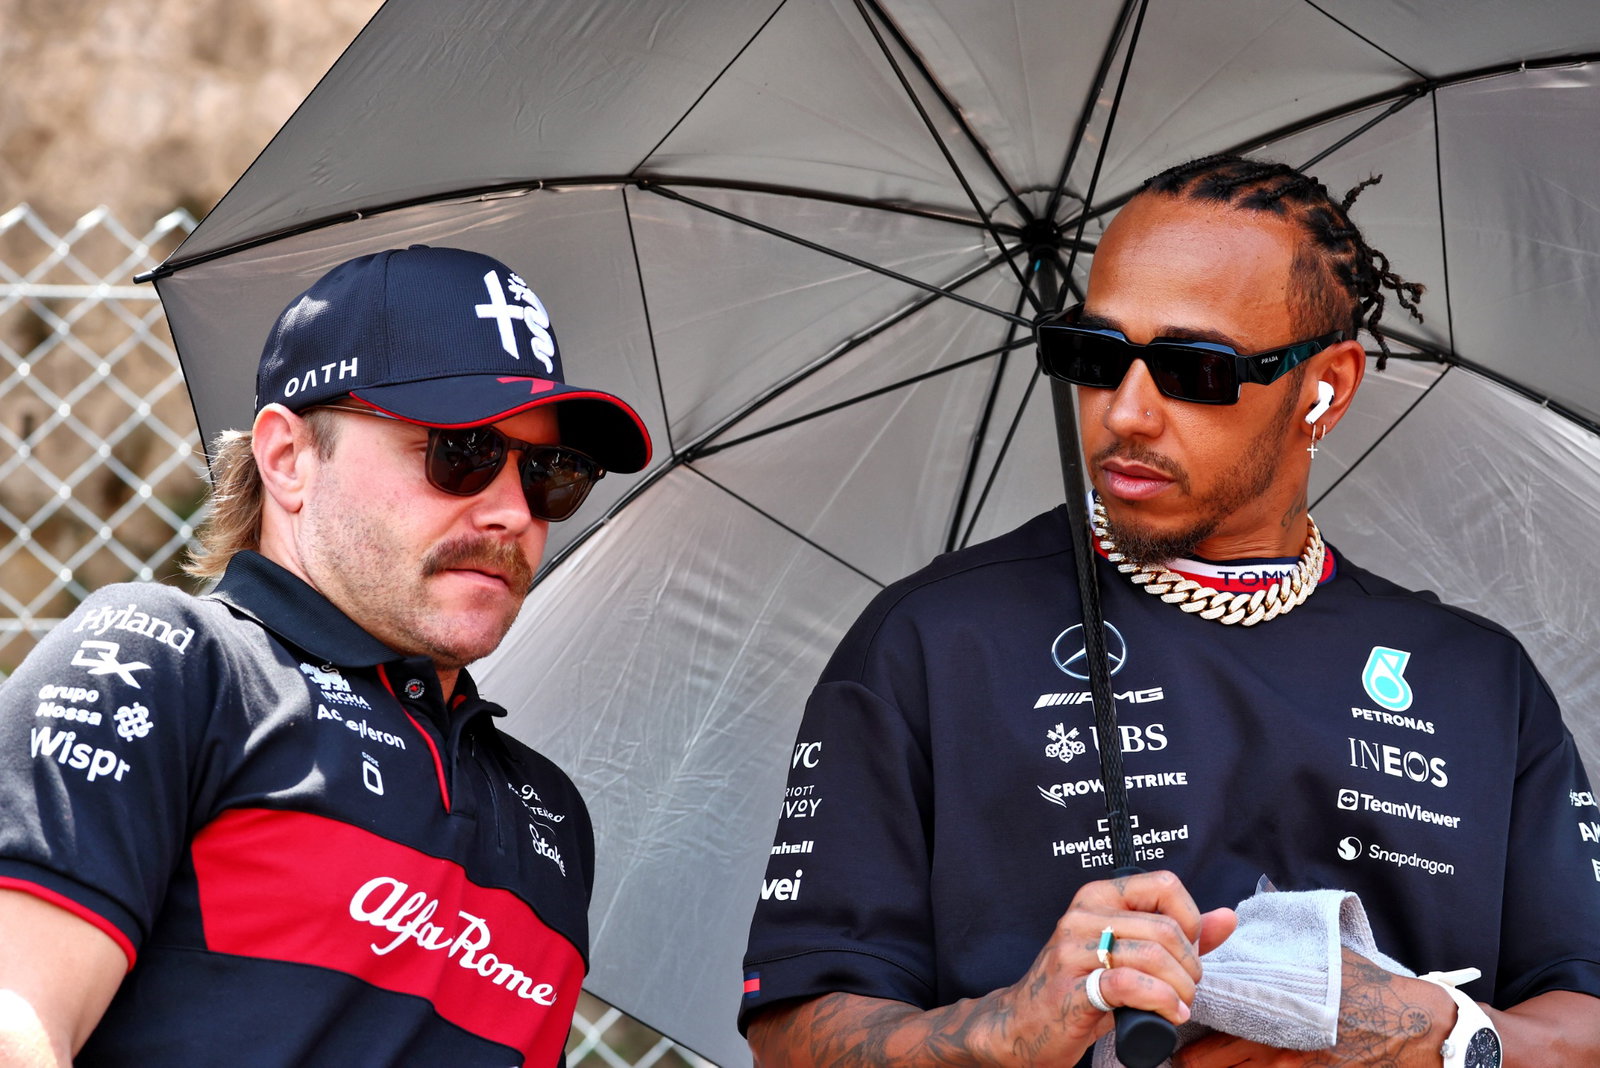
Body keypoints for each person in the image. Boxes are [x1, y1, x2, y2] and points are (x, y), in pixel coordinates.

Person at [739, 156, 1600, 1067]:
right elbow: (793, 1034)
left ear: (1328, 388)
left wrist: (1441, 1033)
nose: (1127, 411)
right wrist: (1008, 1030)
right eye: (1094, 355)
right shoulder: (932, 642)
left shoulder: (1477, 680)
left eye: (1196, 368)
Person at [0, 244, 651, 1066]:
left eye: (552, 473)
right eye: (462, 452)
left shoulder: (549, 815)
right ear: (288, 458)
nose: (511, 513)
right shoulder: (169, 663)